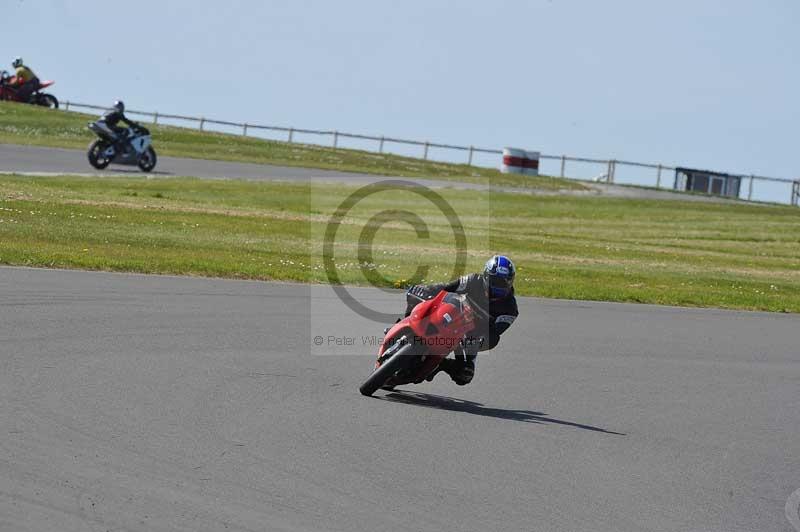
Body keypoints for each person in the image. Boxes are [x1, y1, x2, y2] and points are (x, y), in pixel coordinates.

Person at [402, 255, 519, 386]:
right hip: (451, 314)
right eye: (495, 281)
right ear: (486, 276)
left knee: (464, 375)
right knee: (414, 296)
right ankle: (405, 326)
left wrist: (479, 341)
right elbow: (446, 288)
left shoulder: (510, 310)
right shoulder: (473, 280)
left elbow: (494, 333)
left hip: (471, 335)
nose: (498, 286)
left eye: (503, 283)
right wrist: (427, 290)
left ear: (510, 282)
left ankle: (439, 364)